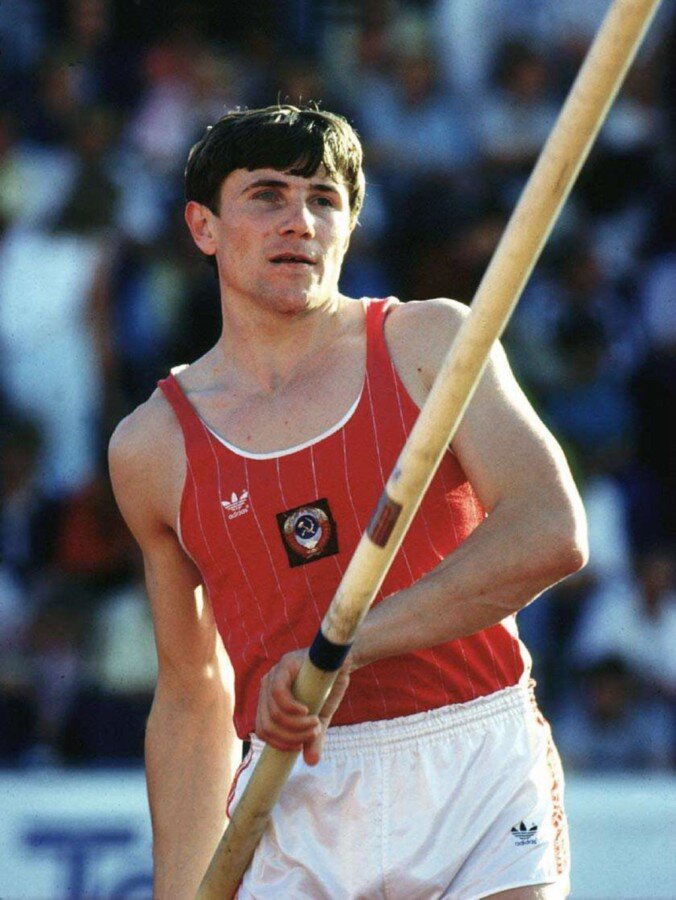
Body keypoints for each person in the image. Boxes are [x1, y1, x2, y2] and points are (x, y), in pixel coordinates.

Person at [109, 105, 588, 899]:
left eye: (324, 200)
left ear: (351, 226)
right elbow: (193, 695)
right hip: (295, 791)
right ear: (203, 226)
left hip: (473, 761)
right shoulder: (153, 446)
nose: (299, 220)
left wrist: (343, 647)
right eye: (267, 195)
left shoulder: (430, 344)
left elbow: (551, 531)